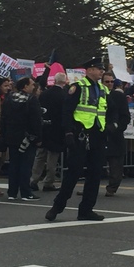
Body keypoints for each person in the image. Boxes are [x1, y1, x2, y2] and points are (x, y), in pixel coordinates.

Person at [45, 57, 108, 222]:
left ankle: (86, 209)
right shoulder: (77, 87)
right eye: (98, 68)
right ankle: (57, 206)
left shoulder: (102, 89)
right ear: (89, 70)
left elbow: (106, 111)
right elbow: (67, 111)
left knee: (95, 174)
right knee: (74, 172)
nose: (102, 71)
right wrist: (68, 133)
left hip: (97, 135)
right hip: (80, 134)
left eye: (102, 68)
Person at [0, 76, 42, 201]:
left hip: (12, 136)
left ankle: (12, 192)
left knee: (14, 164)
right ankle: (26, 192)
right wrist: (38, 137)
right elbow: (36, 121)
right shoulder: (31, 100)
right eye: (32, 84)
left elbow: (4, 118)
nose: (34, 87)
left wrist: (4, 135)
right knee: (26, 165)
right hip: (27, 138)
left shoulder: (9, 99)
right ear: (25, 86)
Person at [30, 72, 68, 192]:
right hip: (57, 129)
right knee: (53, 157)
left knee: (40, 156)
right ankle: (48, 182)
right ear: (64, 82)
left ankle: (33, 180)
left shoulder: (44, 94)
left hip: (44, 126)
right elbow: (64, 113)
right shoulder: (64, 96)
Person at [103, 75, 130, 197]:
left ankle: (112, 187)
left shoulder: (119, 96)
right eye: (106, 81)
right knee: (93, 162)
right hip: (99, 132)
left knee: (116, 163)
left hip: (114, 133)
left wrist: (118, 128)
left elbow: (125, 115)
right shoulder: (96, 94)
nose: (109, 84)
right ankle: (90, 185)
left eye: (112, 81)